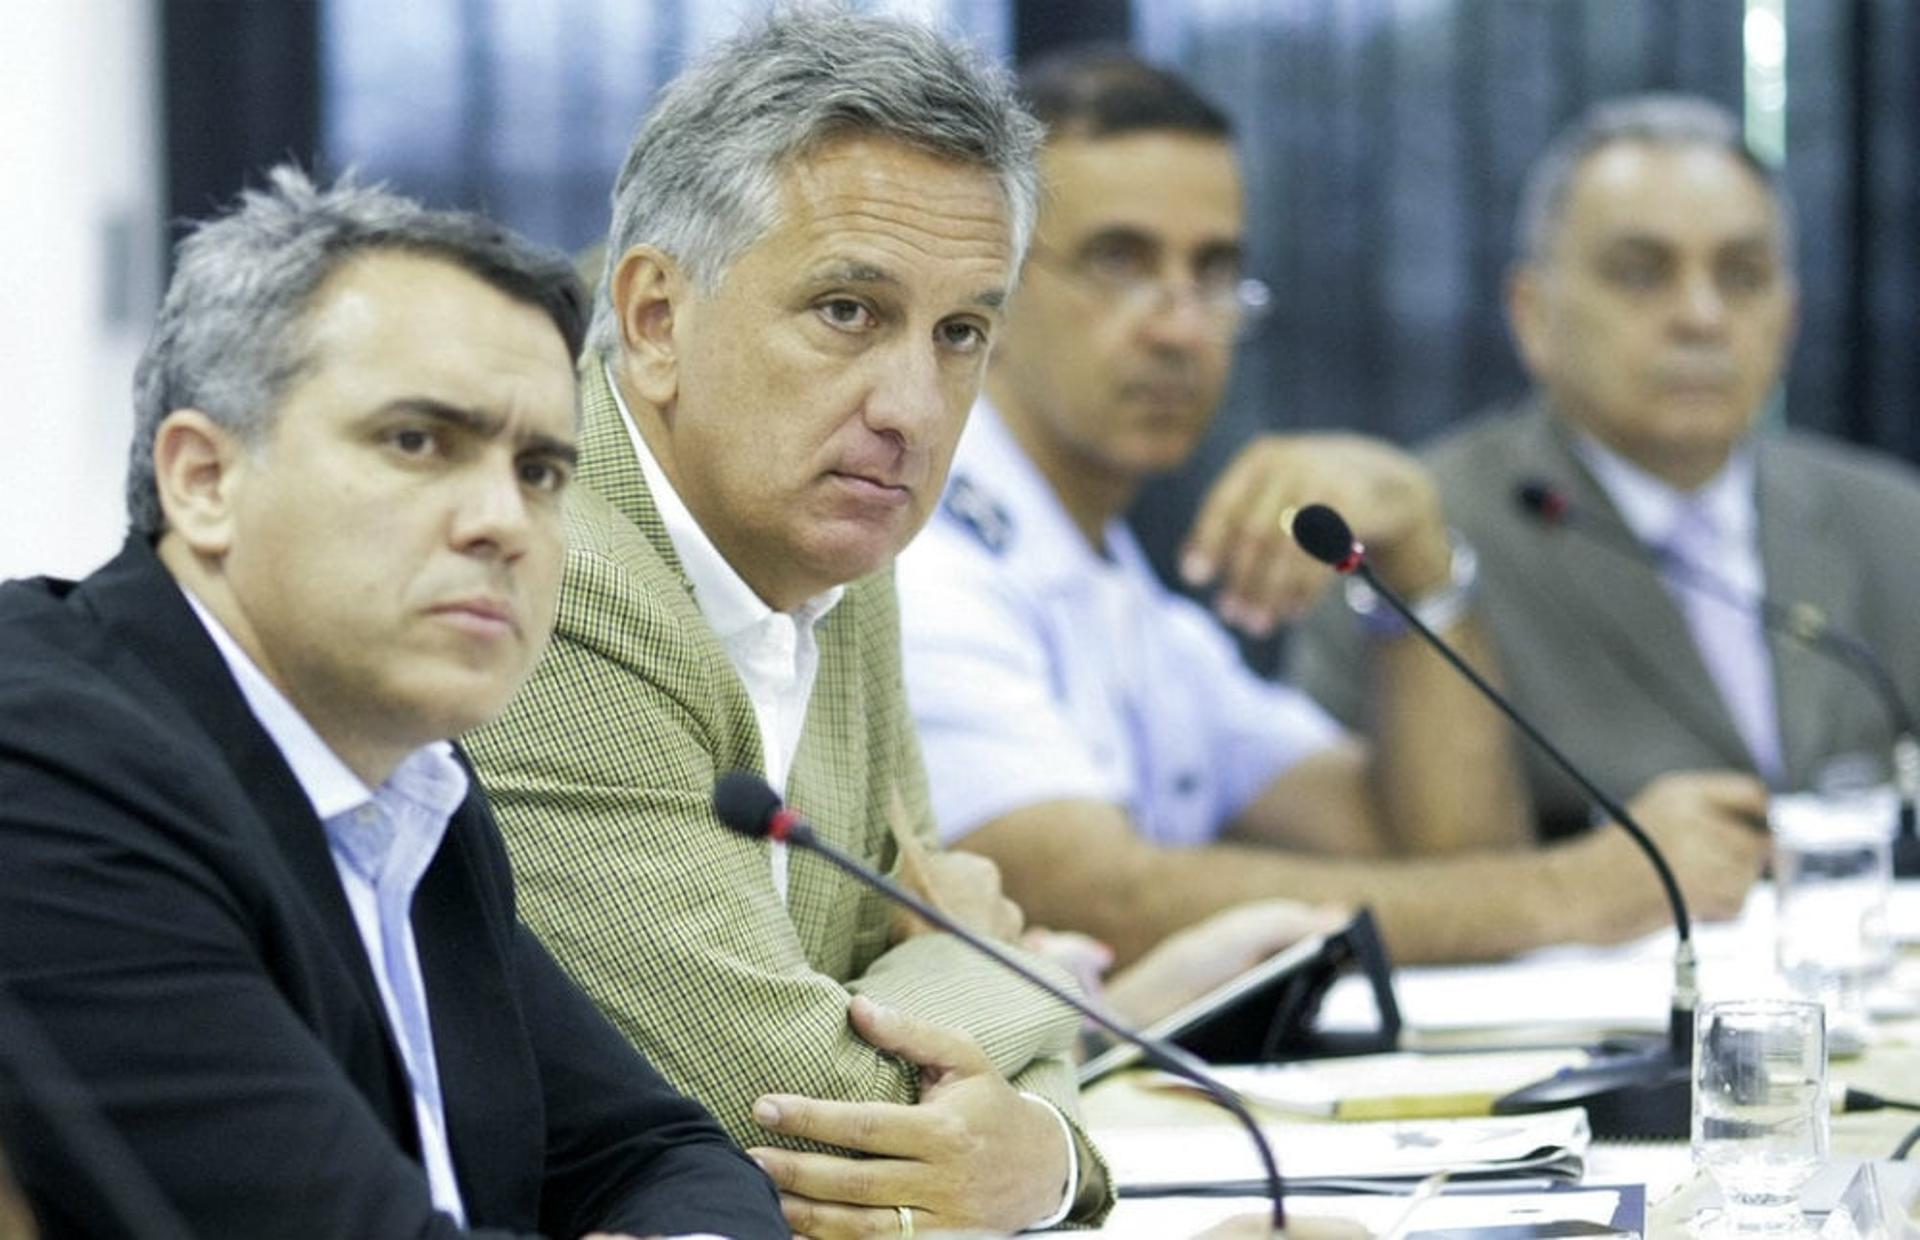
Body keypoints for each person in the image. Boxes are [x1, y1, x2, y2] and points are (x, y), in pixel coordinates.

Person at [0, 167, 785, 1240]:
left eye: (543, 470)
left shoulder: (411, 783)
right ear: (203, 479)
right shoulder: (46, 769)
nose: (503, 522)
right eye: (419, 442)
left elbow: (662, 1152)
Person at [895, 53, 1768, 985]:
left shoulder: (1122, 591)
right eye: (1120, 262)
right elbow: (1093, 896)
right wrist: (1581, 891)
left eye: (1215, 271)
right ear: (994, 283)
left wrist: (1422, 565)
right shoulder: (921, 552)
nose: (1182, 326)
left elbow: (1435, 850)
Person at [462, 12, 1109, 1238]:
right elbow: (781, 1116)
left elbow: (958, 1120)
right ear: (654, 316)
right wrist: (1010, 961)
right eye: (849, 313)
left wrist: (1046, 1155)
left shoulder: (839, 553)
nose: (912, 409)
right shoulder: (548, 576)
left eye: (960, 332)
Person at [1293, 93, 1920, 848]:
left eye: (1742, 276)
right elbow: (1363, 870)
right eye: (1641, 274)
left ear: (1787, 317)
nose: (1701, 316)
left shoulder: (1893, 523)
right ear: (1532, 314)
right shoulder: (1413, 547)